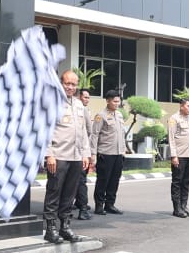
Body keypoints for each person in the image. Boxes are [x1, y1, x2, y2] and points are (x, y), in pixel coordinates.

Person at [42, 69, 91, 244]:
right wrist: (49, 155)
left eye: (73, 84)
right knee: (54, 192)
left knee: (70, 194)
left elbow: (83, 131)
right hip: (58, 156)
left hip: (76, 157)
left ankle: (65, 226)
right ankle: (50, 229)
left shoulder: (79, 105)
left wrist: (86, 154)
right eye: (67, 83)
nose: (70, 87)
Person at [90, 89, 126, 215]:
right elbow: (94, 135)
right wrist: (93, 154)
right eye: (115, 101)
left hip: (118, 153)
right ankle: (99, 205)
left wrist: (124, 150)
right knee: (103, 180)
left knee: (114, 180)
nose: (117, 104)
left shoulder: (119, 115)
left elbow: (122, 134)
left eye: (118, 101)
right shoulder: (101, 116)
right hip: (105, 153)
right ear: (108, 101)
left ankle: (110, 204)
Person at [167, 98, 189, 218]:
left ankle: (184, 206)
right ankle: (177, 208)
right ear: (181, 106)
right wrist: (174, 156)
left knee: (186, 181)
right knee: (177, 182)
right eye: (188, 106)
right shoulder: (173, 119)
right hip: (180, 155)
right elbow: (171, 138)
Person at [73, 88, 93, 219]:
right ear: (79, 97)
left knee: (75, 181)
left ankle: (79, 205)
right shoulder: (81, 109)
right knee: (80, 181)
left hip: (76, 151)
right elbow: (88, 130)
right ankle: (83, 209)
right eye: (85, 97)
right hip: (79, 151)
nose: (87, 100)